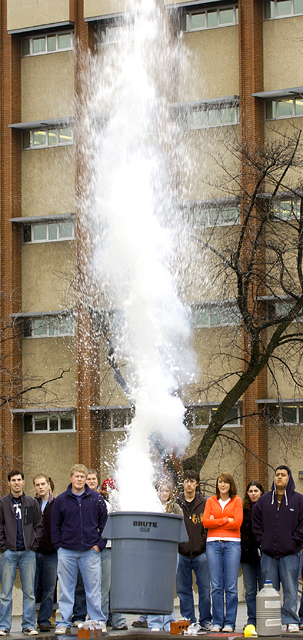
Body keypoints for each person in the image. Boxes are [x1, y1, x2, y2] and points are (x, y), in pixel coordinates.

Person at [51, 464, 108, 634]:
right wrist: (59, 547)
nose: (80, 479)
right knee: (66, 589)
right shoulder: (61, 500)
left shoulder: (97, 499)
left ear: (86, 479)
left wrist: (100, 545)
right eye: (76, 476)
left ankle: (97, 620)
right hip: (67, 551)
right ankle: (64, 622)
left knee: (93, 589)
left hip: (90, 551)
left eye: (82, 477)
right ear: (71, 478)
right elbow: (55, 526)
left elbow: (105, 524)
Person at [252, 465, 303, 633]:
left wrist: (294, 542)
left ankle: (291, 620)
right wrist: (262, 541)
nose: (279, 477)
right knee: (270, 590)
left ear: (289, 478)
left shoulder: (298, 500)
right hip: (268, 555)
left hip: (290, 554)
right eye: (277, 475)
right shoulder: (265, 500)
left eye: (283, 475)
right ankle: (271, 619)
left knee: (290, 588)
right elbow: (256, 523)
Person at [0, 469, 43, 636]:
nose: (16, 483)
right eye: (13, 480)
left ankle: (29, 625)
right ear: (9, 483)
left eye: (19, 480)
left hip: (28, 553)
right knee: (5, 593)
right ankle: (3, 626)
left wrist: (33, 544)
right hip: (9, 553)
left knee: (29, 592)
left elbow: (38, 526)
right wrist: (3, 546)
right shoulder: (3, 503)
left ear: (23, 482)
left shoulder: (31, 503)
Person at [203, 472, 243, 633]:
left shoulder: (237, 500)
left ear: (230, 484)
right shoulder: (211, 501)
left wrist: (216, 521)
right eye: (220, 482)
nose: (223, 485)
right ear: (217, 485)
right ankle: (217, 622)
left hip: (233, 544)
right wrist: (226, 519)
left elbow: (238, 523)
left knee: (231, 586)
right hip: (213, 544)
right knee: (216, 585)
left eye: (226, 482)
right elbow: (206, 522)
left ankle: (230, 623)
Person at [176, 470, 212, 632]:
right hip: (181, 552)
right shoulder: (176, 503)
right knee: (184, 589)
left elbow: (208, 526)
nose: (189, 484)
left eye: (192, 481)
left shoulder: (205, 502)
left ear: (197, 484)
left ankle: (205, 620)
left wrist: (203, 543)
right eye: (186, 481)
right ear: (182, 483)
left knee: (205, 588)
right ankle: (189, 619)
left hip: (201, 552)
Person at [148, 480, 182, 632]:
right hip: (153, 550)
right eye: (161, 491)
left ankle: (168, 620)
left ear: (170, 493)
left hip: (170, 550)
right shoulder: (151, 506)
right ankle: (154, 621)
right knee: (153, 585)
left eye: (166, 491)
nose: (163, 494)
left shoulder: (175, 508)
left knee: (168, 586)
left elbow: (180, 526)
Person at [100, 478, 128, 631]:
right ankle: (103, 619)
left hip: (118, 547)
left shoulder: (119, 503)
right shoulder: (102, 504)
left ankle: (118, 619)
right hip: (106, 547)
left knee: (117, 586)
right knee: (105, 587)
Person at [33, 474, 58, 632]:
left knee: (49, 588)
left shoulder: (57, 504)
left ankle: (45, 620)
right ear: (34, 487)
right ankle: (31, 620)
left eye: (43, 484)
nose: (41, 487)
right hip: (34, 552)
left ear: (49, 485)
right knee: (33, 587)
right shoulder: (31, 504)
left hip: (51, 552)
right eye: (37, 484)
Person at [240, 480, 264, 628]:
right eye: (251, 491)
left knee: (263, 589)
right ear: (247, 493)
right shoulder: (243, 510)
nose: (253, 494)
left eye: (256, 491)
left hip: (263, 555)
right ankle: (252, 619)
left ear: (261, 492)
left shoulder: (267, 508)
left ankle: (263, 618)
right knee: (249, 590)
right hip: (247, 555)